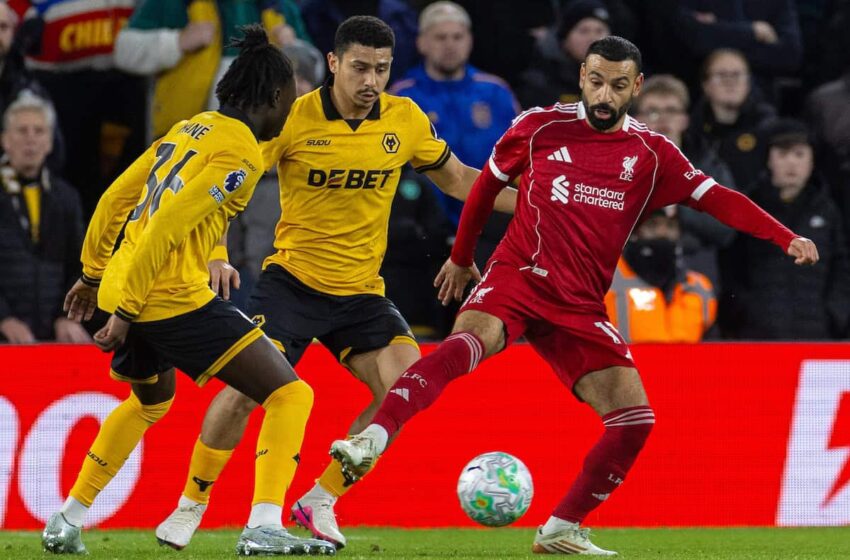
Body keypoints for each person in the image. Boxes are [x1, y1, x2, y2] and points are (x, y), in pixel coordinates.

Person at [329, 36, 819, 555]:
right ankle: (371, 439)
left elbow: (718, 199)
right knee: (468, 343)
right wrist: (461, 255)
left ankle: (561, 527)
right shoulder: (539, 127)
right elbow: (485, 188)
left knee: (635, 421)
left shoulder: (652, 154)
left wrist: (783, 235)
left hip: (580, 303)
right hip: (522, 274)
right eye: (596, 81)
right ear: (582, 76)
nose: (605, 95)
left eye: (618, 85)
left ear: (636, 86)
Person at [155, 16, 517, 551]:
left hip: (362, 292)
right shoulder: (294, 118)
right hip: (292, 282)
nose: (372, 81)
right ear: (333, 63)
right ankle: (191, 503)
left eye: (382, 69)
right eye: (360, 68)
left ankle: (320, 498)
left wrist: (538, 203)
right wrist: (215, 253)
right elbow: (228, 183)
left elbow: (461, 178)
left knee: (405, 388)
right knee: (243, 394)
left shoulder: (404, 118)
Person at [40, 26, 334, 556]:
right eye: (290, 100)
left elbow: (115, 198)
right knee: (291, 394)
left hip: (130, 282)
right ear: (272, 97)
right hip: (165, 296)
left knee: (150, 403)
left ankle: (67, 519)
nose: (292, 111)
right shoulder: (242, 156)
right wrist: (127, 309)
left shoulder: (189, 128)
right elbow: (167, 225)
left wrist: (93, 274)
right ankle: (264, 525)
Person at [722, 119, 850, 340]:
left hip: (817, 334)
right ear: (769, 160)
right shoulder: (750, 206)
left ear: (812, 161)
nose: (791, 162)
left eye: (799, 154)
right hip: (758, 335)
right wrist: (745, 312)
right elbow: (732, 266)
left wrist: (834, 314)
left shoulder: (828, 210)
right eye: (782, 154)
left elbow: (842, 268)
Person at [114, 0, 309, 139]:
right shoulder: (174, 3)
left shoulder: (280, 8)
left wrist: (295, 52)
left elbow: (313, 73)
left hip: (267, 148)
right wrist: (177, 41)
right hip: (181, 141)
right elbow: (123, 51)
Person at [632, 73, 736, 288]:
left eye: (671, 110)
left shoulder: (709, 166)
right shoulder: (618, 164)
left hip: (692, 277)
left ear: (684, 120)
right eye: (652, 111)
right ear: (637, 120)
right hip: (630, 276)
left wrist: (678, 206)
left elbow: (726, 228)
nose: (663, 119)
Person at [0, 92, 88, 344]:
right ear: (5, 140)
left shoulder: (66, 197)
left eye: (39, 131)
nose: (31, 139)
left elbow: (79, 265)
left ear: (49, 142)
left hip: (53, 339)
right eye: (22, 130)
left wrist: (66, 316)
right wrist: (3, 319)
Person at [604, 207, 716, 343]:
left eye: (670, 226)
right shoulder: (605, 279)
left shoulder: (699, 287)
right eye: (652, 225)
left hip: (682, 357)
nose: (662, 233)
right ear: (635, 231)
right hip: (624, 356)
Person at [519, 0, 611, 107]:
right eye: (584, 31)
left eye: (599, 31)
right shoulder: (541, 83)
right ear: (565, 39)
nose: (592, 38)